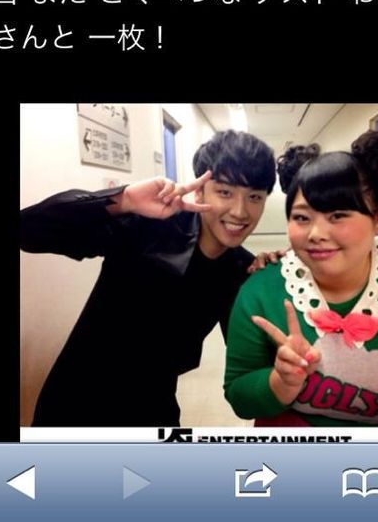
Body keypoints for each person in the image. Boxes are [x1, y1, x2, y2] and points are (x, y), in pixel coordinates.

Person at [21, 129, 276, 426]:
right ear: (199, 191)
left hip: (154, 406)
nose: (240, 211)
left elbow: (250, 366)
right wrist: (124, 200)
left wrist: (283, 283)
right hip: (78, 401)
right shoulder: (148, 227)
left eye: (254, 197)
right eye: (225, 192)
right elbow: (29, 231)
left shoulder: (242, 271)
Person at [224, 131, 378, 427]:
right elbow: (239, 394)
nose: (316, 233)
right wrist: (280, 382)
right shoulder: (260, 291)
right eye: (302, 217)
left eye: (338, 215)